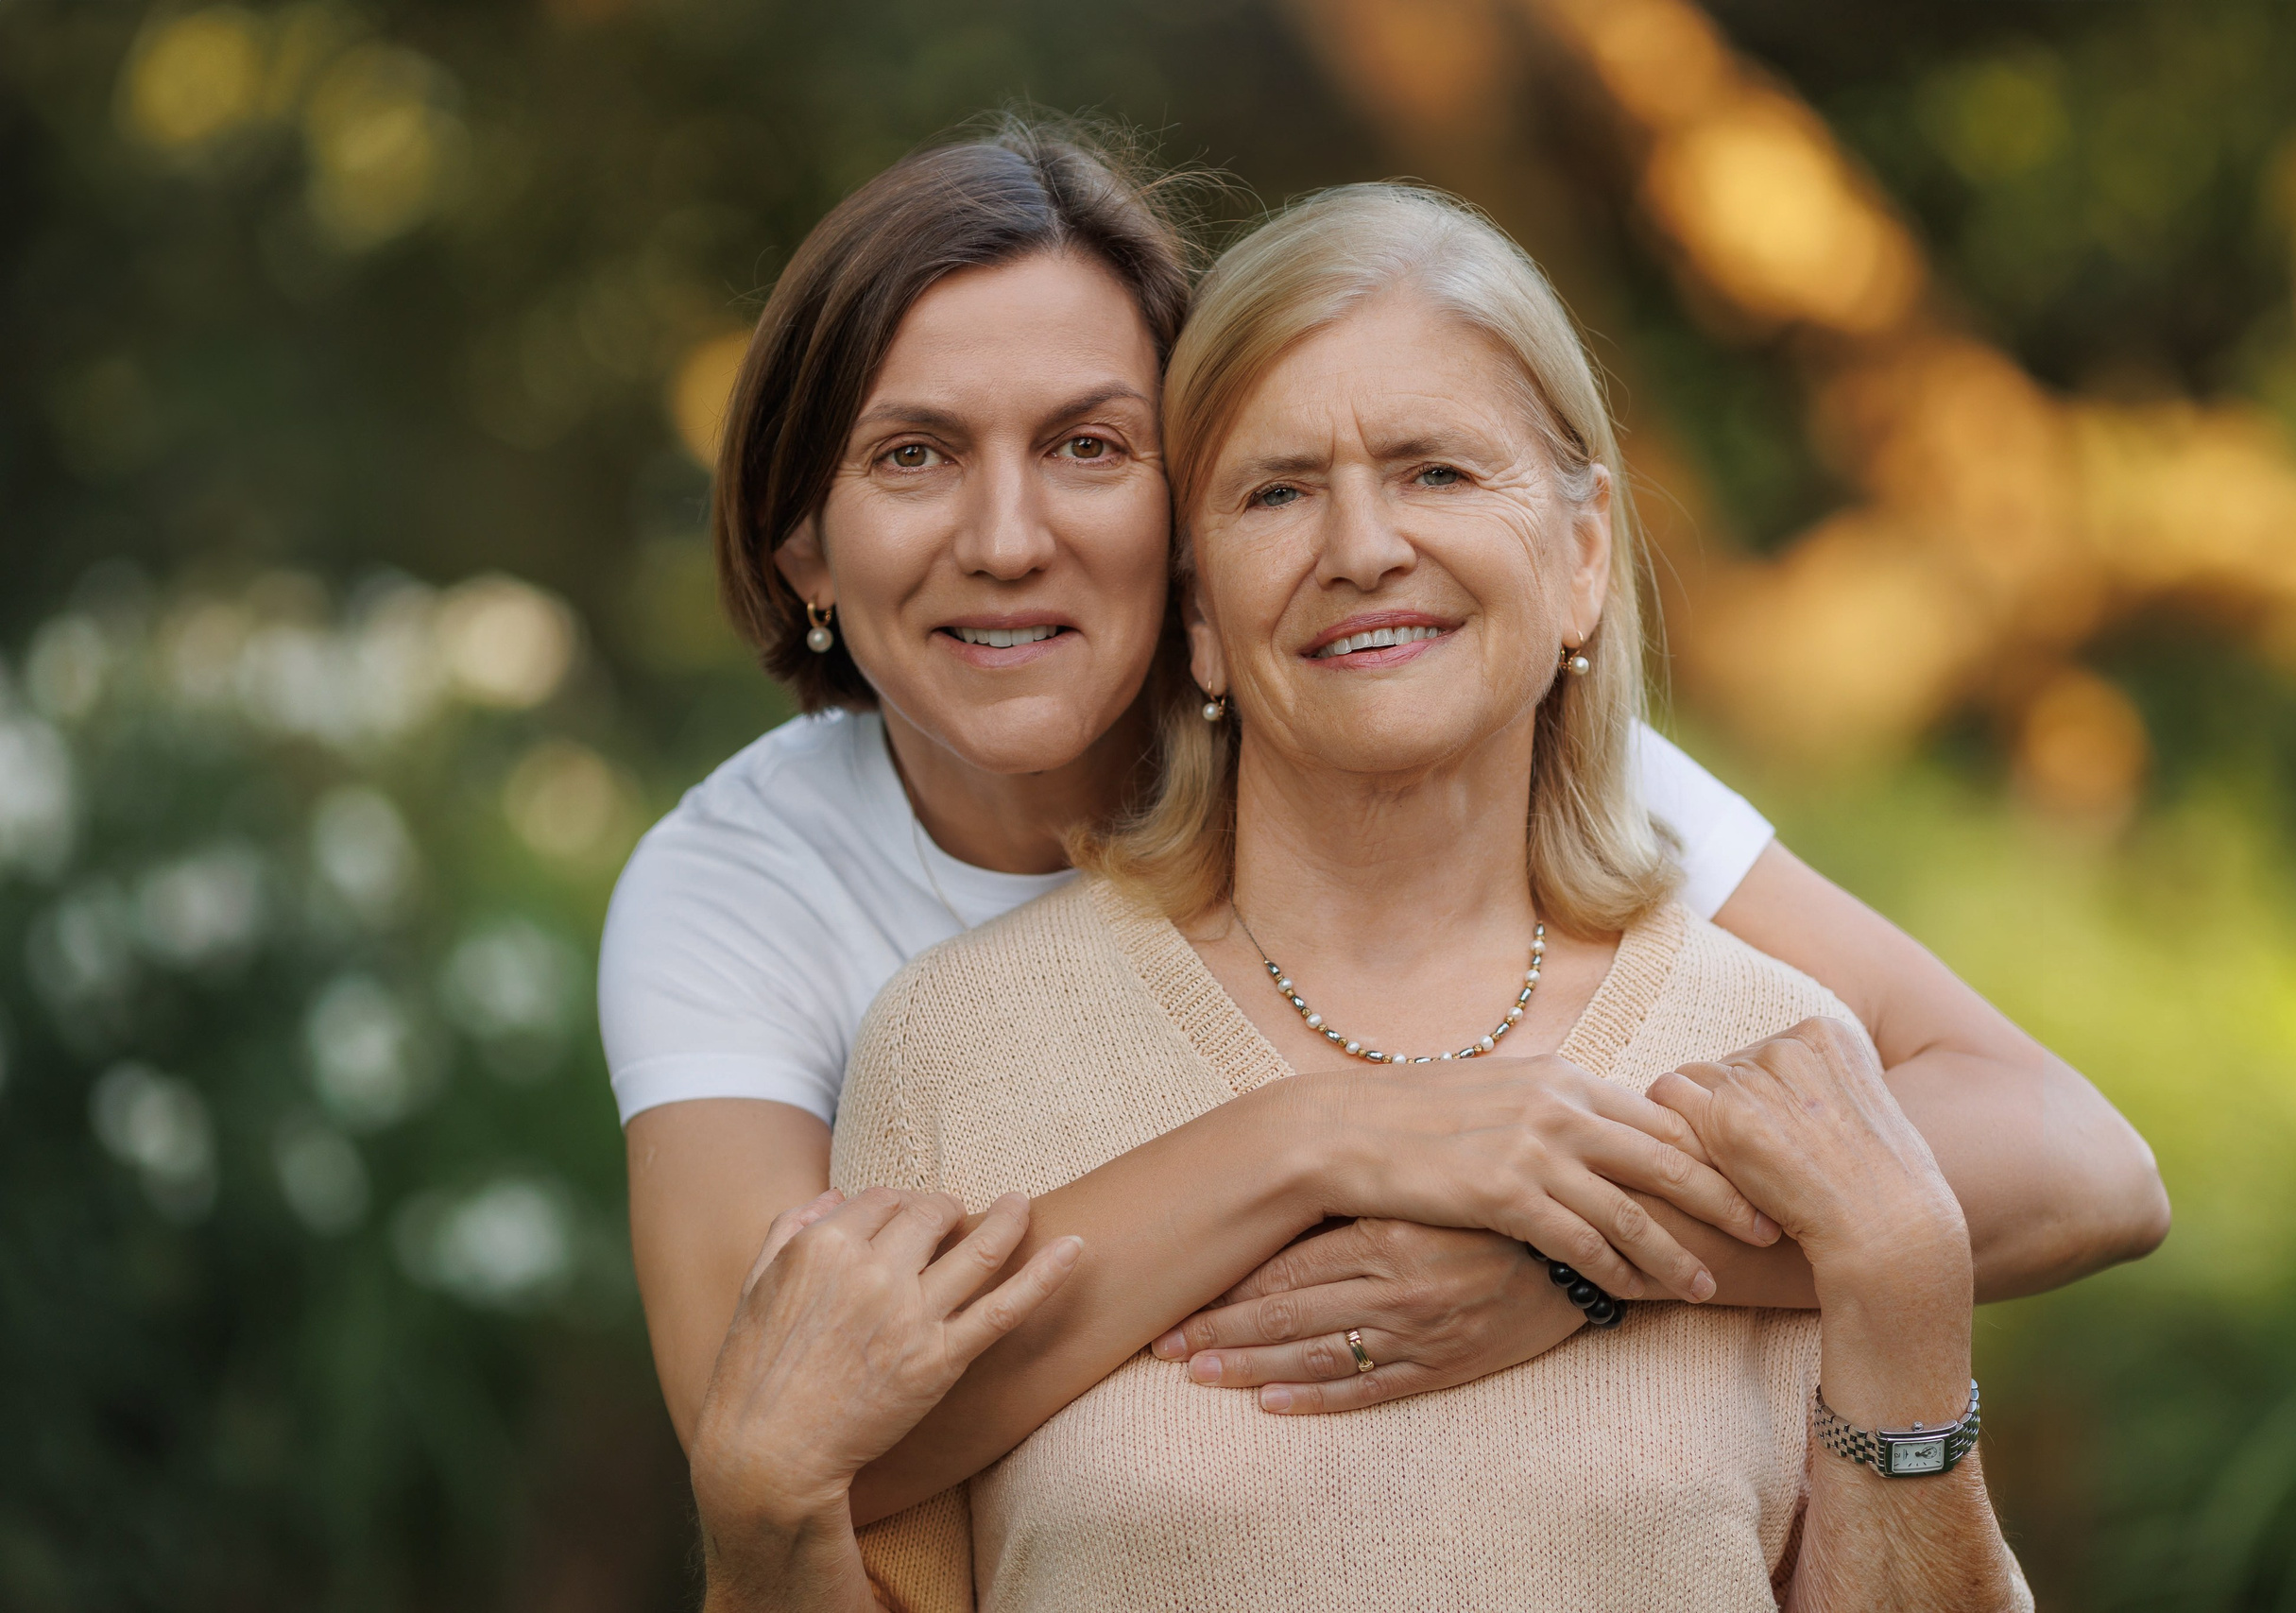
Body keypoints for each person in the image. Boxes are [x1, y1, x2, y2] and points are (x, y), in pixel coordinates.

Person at [602, 117, 2166, 1523]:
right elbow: (786, 1445)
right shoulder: (739, 890)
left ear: (1181, 499)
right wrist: (1316, 1139)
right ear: (803, 545)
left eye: (1089, 446)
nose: (1008, 538)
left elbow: (2076, 1161)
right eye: (912, 456)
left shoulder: (1431, 728)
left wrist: (1572, 1262)